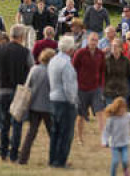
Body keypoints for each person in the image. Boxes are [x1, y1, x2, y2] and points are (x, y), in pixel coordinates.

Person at [0, 24, 33, 162]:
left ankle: (3, 151)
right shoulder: (26, 52)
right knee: (17, 123)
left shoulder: (0, 49)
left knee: (4, 122)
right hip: (19, 91)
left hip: (2, 89)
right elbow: (32, 71)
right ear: (22, 36)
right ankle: (14, 153)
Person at [18, 47, 54, 165]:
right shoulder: (52, 72)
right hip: (48, 107)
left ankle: (23, 158)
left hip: (34, 105)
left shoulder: (34, 69)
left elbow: (27, 86)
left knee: (31, 133)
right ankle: (55, 158)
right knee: (53, 134)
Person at [48, 35, 79, 168]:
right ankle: (60, 161)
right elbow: (69, 87)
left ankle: (52, 158)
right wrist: (74, 102)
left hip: (53, 98)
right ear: (70, 49)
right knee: (66, 133)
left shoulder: (53, 60)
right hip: (65, 101)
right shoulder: (67, 64)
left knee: (55, 131)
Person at [73, 31, 107, 146]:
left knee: (100, 112)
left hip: (96, 88)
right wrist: (76, 85)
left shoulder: (101, 54)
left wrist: (101, 86)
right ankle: (80, 138)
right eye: (92, 40)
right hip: (81, 88)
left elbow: (103, 70)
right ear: (87, 40)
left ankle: (104, 138)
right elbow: (74, 68)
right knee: (81, 115)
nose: (94, 42)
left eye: (96, 40)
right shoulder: (80, 53)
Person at [101, 96, 130, 176]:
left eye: (124, 108)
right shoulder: (111, 119)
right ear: (116, 108)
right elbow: (106, 131)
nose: (122, 111)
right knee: (115, 162)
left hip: (125, 144)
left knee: (125, 161)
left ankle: (126, 172)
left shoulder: (129, 116)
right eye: (120, 109)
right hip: (114, 144)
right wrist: (104, 141)